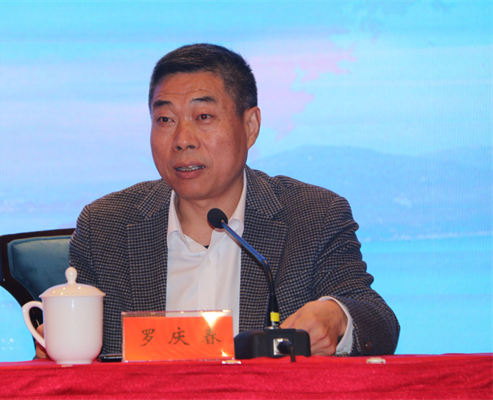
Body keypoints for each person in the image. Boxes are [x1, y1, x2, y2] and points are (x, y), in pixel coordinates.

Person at [37, 43, 399, 359]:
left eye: (204, 117)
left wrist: (335, 317)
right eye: (165, 119)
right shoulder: (105, 226)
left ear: (250, 126)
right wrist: (53, 347)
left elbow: (377, 321)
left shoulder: (312, 215)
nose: (183, 139)